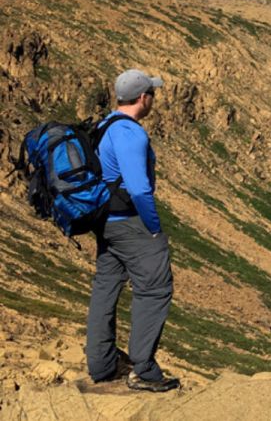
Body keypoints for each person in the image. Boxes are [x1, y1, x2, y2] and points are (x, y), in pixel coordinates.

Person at [86, 69, 179, 392]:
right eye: (152, 93)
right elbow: (139, 188)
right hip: (130, 223)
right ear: (143, 98)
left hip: (104, 223)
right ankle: (144, 369)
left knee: (106, 287)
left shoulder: (103, 126)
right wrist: (153, 228)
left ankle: (101, 364)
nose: (153, 98)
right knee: (154, 289)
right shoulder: (130, 133)